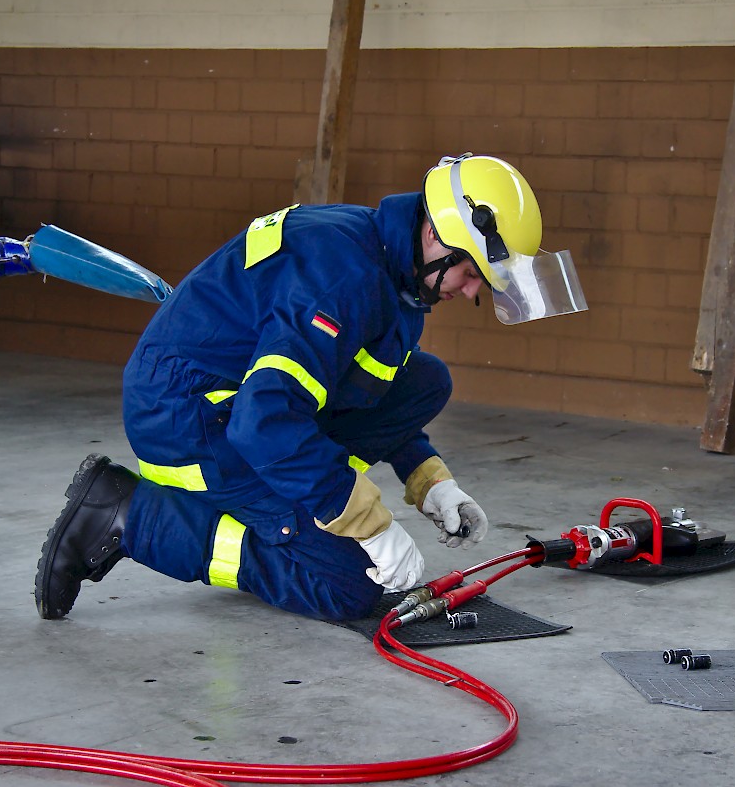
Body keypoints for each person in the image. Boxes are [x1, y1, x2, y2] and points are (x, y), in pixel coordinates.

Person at [34, 153, 588, 622]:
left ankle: (301, 500)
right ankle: (133, 518)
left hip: (246, 401)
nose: (471, 294)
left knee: (425, 379)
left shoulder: (396, 280)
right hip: (191, 415)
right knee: (353, 585)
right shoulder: (342, 277)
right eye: (472, 276)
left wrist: (431, 481)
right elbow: (263, 420)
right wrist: (368, 523)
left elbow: (363, 393)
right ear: (438, 236)